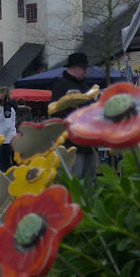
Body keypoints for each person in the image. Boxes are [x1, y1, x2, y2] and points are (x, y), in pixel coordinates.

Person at [51, 52, 98, 185]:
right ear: (74, 67)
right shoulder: (60, 85)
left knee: (90, 181)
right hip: (71, 143)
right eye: (83, 68)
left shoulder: (86, 86)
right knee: (75, 180)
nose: (85, 71)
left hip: (89, 142)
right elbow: (55, 112)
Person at [0, 86, 17, 172]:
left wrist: (0, 136)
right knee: (5, 162)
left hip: (6, 140)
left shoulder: (7, 107)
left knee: (5, 162)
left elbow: (7, 125)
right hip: (5, 139)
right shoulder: (4, 107)